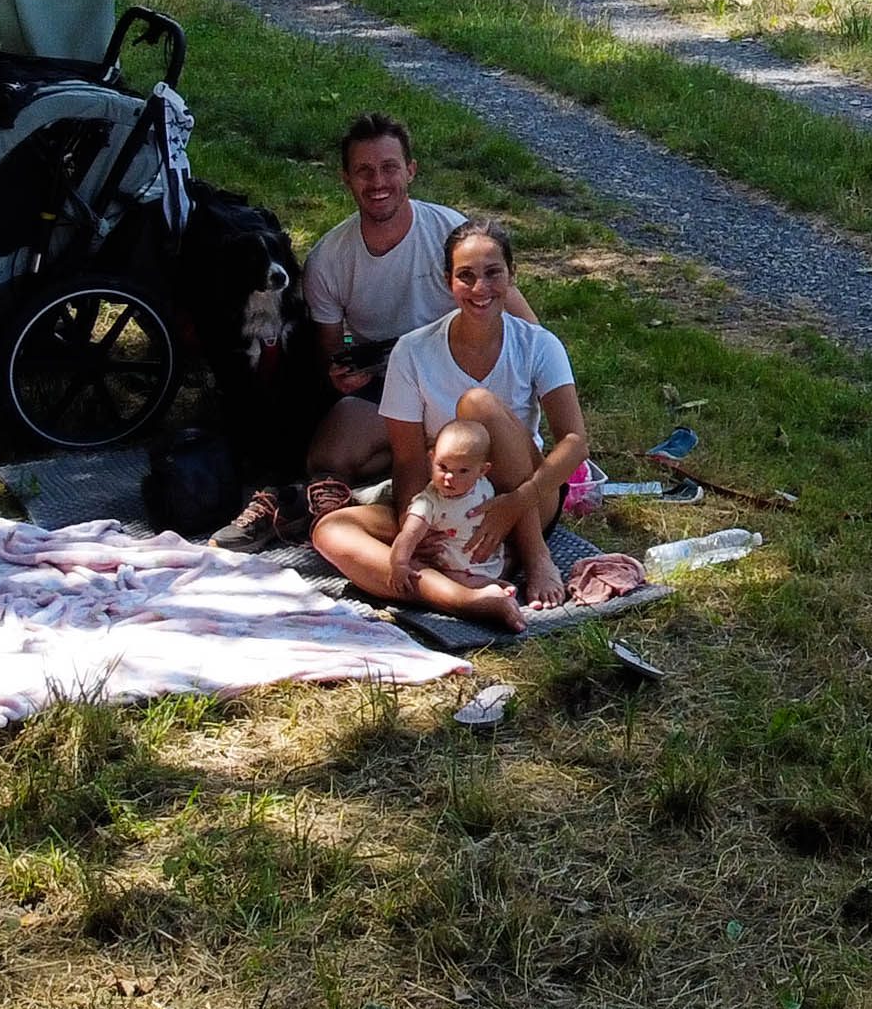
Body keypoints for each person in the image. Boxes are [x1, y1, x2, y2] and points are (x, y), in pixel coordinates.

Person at [212, 113, 532, 548]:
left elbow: (525, 325)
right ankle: (336, 500)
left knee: (470, 445)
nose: (377, 182)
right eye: (364, 171)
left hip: (464, 382)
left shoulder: (450, 232)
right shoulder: (329, 258)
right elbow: (331, 355)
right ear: (346, 179)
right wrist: (343, 372)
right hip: (389, 388)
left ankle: (375, 495)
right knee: (327, 455)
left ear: (411, 171)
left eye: (389, 168)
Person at [308, 218, 591, 608]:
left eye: (493, 274)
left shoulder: (538, 345)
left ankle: (532, 555)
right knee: (330, 531)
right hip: (443, 500)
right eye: (466, 276)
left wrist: (516, 501)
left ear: (511, 276)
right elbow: (407, 458)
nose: (480, 289)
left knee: (476, 405)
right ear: (448, 282)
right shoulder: (413, 350)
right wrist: (416, 530)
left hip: (525, 499)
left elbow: (575, 443)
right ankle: (459, 596)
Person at [378, 420, 525, 630]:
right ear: (431, 459)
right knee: (457, 580)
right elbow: (408, 534)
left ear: (483, 470)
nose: (449, 478)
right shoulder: (428, 503)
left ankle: (498, 583)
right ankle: (488, 594)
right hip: (458, 568)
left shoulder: (482, 485)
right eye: (443, 467)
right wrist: (399, 564)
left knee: (512, 554)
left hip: (489, 558)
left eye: (462, 471)